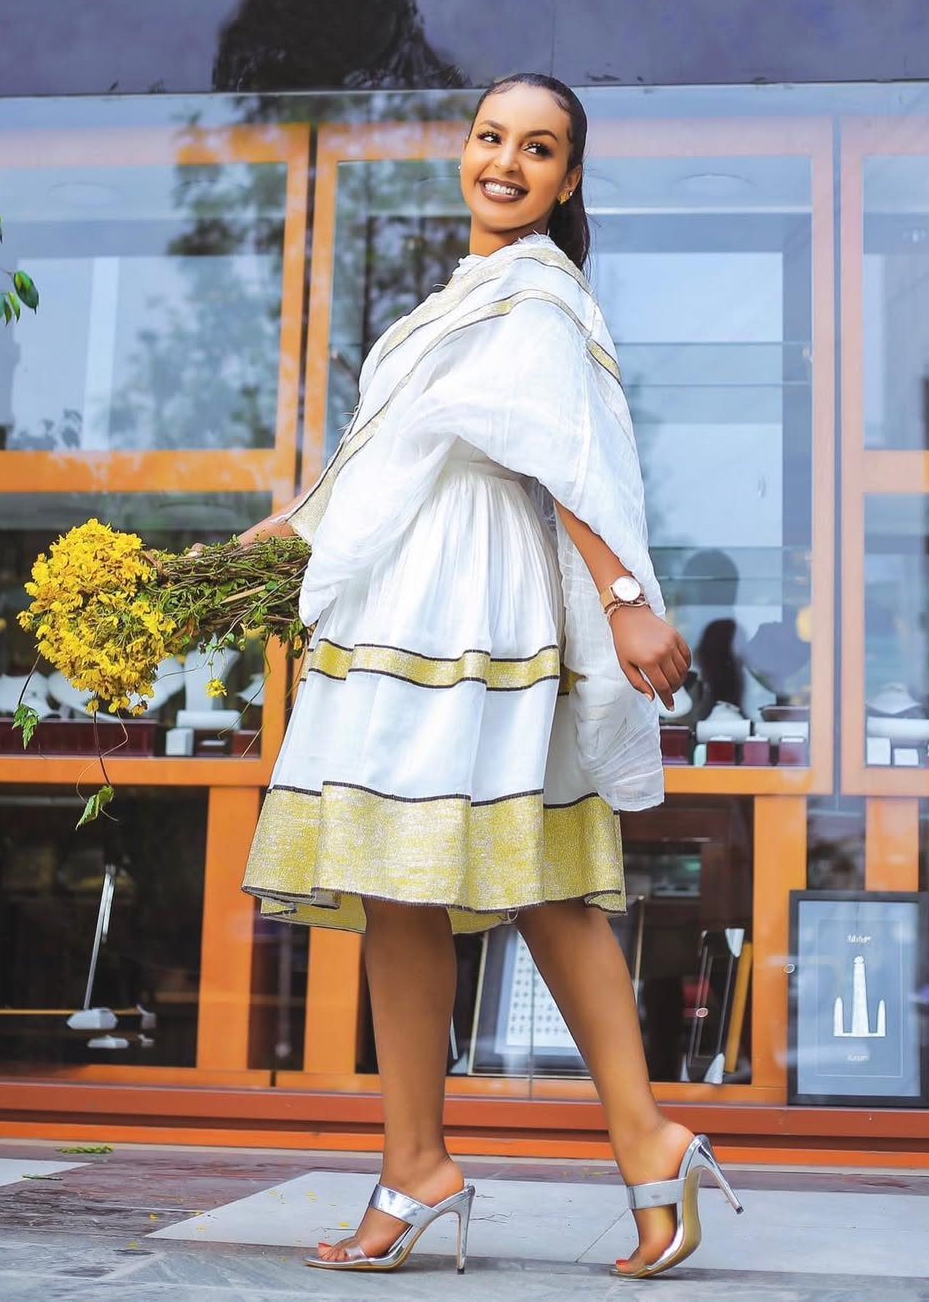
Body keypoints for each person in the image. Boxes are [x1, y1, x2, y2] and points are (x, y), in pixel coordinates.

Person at [227, 72, 743, 1277]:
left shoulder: (542, 296)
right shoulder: (461, 296)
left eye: (540, 147)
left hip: (476, 604)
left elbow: (563, 457)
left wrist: (623, 601)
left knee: (540, 881)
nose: (506, 161)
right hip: (407, 592)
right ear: (464, 149)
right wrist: (283, 530)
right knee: (397, 877)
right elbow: (396, 456)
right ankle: (420, 1163)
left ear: (567, 180)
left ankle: (643, 1134)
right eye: (491, 136)